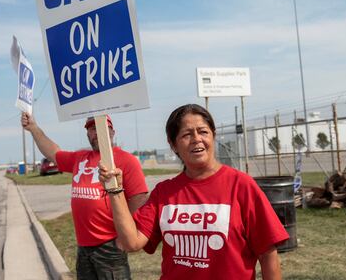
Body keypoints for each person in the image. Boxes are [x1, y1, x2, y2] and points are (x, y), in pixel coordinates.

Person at [99, 104, 289, 280]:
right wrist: (115, 190)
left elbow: (267, 254)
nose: (197, 139)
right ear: (173, 144)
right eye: (187, 134)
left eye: (203, 131)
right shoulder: (164, 192)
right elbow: (131, 242)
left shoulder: (242, 185)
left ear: (213, 136)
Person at [21, 112, 148, 280]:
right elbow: (53, 153)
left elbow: (140, 198)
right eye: (92, 129)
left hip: (110, 246)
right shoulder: (80, 158)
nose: (96, 133)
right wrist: (33, 128)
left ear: (112, 131)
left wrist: (125, 235)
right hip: (84, 247)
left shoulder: (126, 160)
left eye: (101, 127)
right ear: (87, 134)